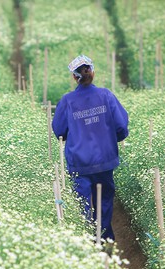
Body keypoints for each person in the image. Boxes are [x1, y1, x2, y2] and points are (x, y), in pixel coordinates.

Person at [52, 55, 128, 241]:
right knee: (105, 201)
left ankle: (88, 239)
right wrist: (110, 140)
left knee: (83, 203)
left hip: (79, 162)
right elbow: (121, 126)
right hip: (105, 159)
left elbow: (59, 131)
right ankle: (105, 238)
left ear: (74, 77)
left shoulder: (67, 101)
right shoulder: (106, 95)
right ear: (93, 72)